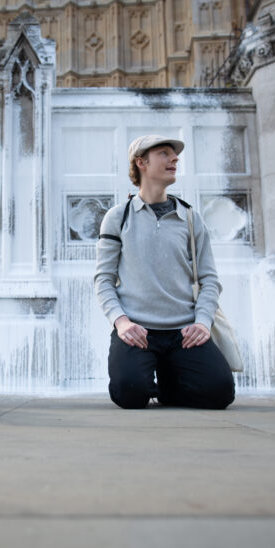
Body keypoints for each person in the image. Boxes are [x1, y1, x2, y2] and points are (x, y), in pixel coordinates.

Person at [94, 135, 235, 409]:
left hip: (184, 330)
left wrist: (203, 322)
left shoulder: (191, 218)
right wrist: (122, 322)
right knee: (129, 395)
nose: (174, 159)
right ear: (141, 163)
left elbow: (209, 280)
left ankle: (169, 382)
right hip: (137, 330)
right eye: (164, 153)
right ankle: (149, 375)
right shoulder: (117, 216)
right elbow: (103, 279)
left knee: (220, 393)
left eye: (175, 154)